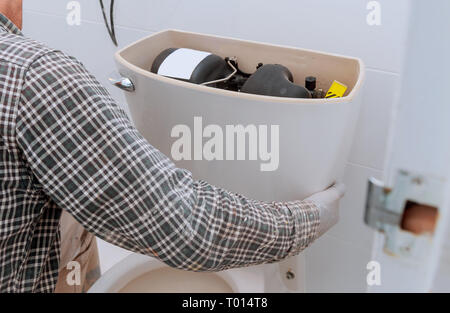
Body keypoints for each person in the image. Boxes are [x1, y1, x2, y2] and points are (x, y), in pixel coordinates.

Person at [0, 0, 345, 293]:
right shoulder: (35, 77)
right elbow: (183, 226)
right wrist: (309, 218)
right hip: (231, 221)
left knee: (70, 217)